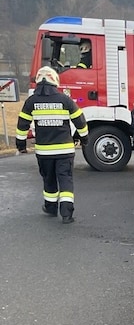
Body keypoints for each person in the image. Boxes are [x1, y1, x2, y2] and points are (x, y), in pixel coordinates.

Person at [15, 65, 89, 224]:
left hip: (44, 152)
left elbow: (22, 125)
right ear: (55, 80)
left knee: (49, 179)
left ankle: (50, 207)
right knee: (65, 179)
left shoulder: (31, 101)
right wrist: (84, 139)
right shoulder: (64, 99)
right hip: (65, 150)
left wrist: (20, 145)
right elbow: (80, 121)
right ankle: (67, 214)